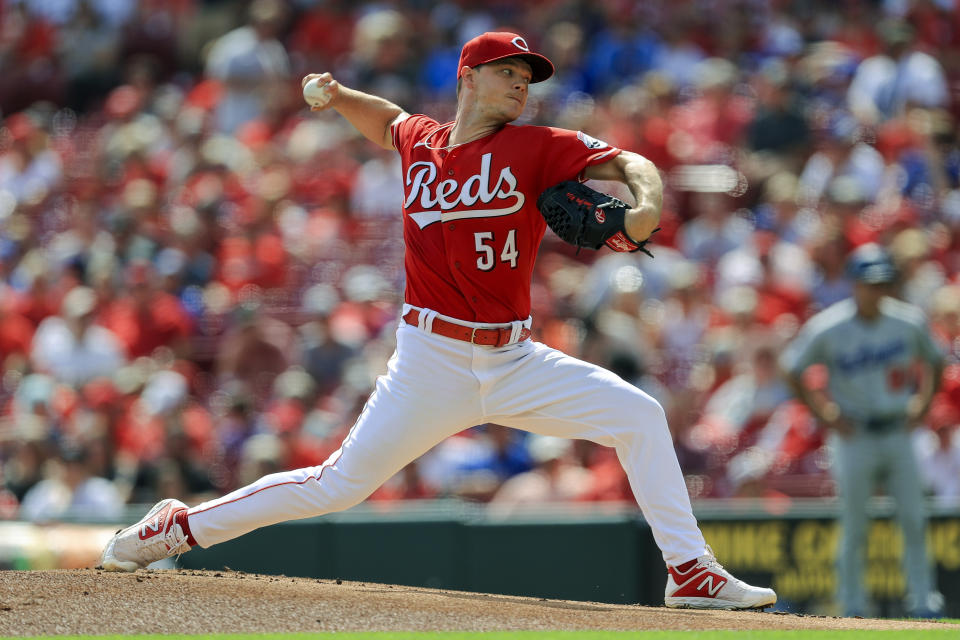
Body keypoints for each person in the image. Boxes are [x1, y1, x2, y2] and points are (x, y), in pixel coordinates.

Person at [99, 31, 776, 611]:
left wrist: (647, 204)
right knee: (337, 485)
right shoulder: (421, 140)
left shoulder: (536, 146)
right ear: (468, 78)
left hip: (515, 360)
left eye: (526, 77)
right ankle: (175, 529)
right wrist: (337, 100)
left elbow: (627, 162)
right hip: (429, 361)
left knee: (640, 416)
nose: (519, 86)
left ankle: (690, 572)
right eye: (507, 73)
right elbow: (388, 121)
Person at [779, 243, 945, 618]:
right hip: (854, 435)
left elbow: (935, 360)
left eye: (883, 282)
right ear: (854, 283)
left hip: (898, 429)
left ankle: (922, 601)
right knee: (854, 525)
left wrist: (924, 402)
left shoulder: (907, 320)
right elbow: (792, 368)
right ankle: (852, 605)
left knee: (914, 519)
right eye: (870, 282)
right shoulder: (830, 326)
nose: (877, 289)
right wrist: (824, 413)